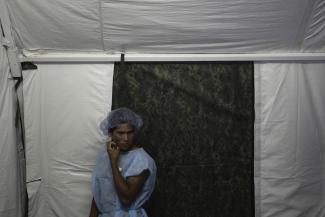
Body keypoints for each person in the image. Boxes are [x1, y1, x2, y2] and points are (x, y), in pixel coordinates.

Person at [89, 107, 157, 217]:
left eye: (129, 132)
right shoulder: (105, 154)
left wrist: (114, 162)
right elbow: (98, 193)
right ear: (110, 133)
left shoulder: (141, 161)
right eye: (120, 133)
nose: (125, 138)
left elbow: (126, 199)